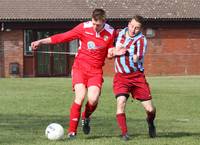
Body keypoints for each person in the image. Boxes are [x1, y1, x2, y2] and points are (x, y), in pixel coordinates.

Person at [31, 8, 126, 139]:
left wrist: (114, 53)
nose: (95, 27)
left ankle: (86, 117)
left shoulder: (111, 33)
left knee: (93, 100)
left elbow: (109, 54)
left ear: (104, 21)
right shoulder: (83, 27)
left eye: (98, 25)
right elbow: (63, 37)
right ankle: (72, 132)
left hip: (96, 71)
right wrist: (40, 41)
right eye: (93, 23)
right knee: (80, 97)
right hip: (80, 68)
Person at [109, 15, 156, 141]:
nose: (133, 29)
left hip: (136, 77)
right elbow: (109, 49)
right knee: (121, 103)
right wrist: (112, 52)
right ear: (128, 23)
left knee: (150, 109)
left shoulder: (141, 40)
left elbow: (138, 56)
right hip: (121, 77)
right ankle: (125, 134)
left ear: (140, 29)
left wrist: (133, 55)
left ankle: (150, 122)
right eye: (132, 26)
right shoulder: (118, 33)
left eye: (137, 28)